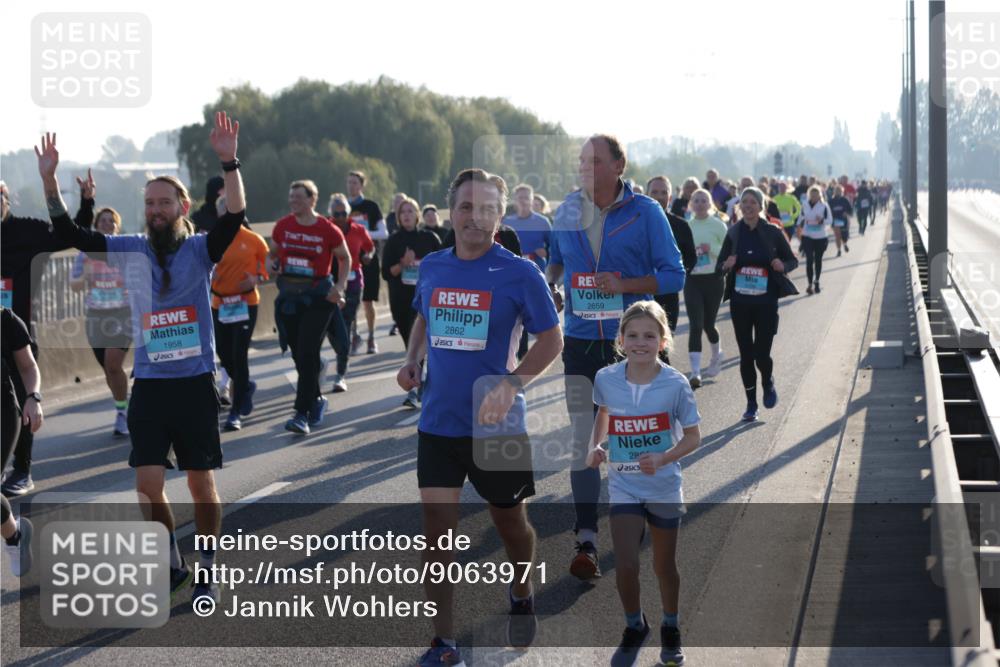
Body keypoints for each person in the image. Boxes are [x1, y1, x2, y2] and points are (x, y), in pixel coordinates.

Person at [41, 112, 246, 605]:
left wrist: (229, 162)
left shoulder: (200, 249)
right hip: (151, 385)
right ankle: (173, 563)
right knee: (148, 485)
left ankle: (207, 567)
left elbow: (235, 217)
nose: (155, 210)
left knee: (201, 486)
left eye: (164, 202)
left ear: (182, 206)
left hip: (194, 382)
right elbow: (73, 233)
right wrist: (50, 181)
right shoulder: (129, 248)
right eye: (149, 203)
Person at [396, 168, 562, 666]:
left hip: (497, 426)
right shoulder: (433, 266)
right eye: (466, 207)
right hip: (438, 423)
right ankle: (444, 642)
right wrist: (412, 358)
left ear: (499, 215)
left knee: (510, 524)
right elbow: (422, 315)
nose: (475, 216)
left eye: (486, 208)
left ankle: (521, 589)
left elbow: (551, 340)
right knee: (437, 532)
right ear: (451, 212)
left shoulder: (520, 273)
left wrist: (512, 385)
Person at [547, 134, 685, 579]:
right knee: (583, 440)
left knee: (636, 438)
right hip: (581, 343)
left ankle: (642, 513)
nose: (585, 167)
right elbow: (556, 261)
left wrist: (625, 286)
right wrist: (551, 284)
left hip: (632, 345)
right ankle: (586, 539)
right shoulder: (567, 211)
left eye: (594, 160)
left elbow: (674, 275)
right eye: (581, 160)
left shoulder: (646, 212)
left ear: (618, 165)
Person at [585, 300, 700, 667]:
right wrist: (595, 446)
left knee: (664, 566)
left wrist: (663, 458)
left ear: (663, 341)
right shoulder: (606, 378)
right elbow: (604, 413)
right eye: (632, 335)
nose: (640, 342)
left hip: (663, 485)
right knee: (626, 563)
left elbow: (693, 437)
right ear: (621, 339)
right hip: (624, 485)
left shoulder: (675, 384)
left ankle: (671, 626)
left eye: (649, 336)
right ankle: (635, 625)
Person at [0, 172, 93, 497]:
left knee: (22, 399)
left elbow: (70, 235)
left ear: (6, 200)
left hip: (17, 333)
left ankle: (22, 469)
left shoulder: (27, 230)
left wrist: (86, 203)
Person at [271, 180, 351, 434]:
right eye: (291, 196)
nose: (293, 201)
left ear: (312, 199)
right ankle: (316, 400)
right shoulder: (283, 226)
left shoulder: (327, 229)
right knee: (300, 355)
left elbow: (345, 258)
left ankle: (301, 414)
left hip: (318, 298)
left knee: (307, 350)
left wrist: (340, 286)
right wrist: (271, 264)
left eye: (298, 196)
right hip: (290, 297)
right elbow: (272, 254)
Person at [717, 187, 798, 422]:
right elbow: (719, 266)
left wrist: (783, 266)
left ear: (761, 206)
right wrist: (726, 265)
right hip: (740, 303)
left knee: (762, 354)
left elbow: (792, 260)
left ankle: (767, 381)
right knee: (746, 355)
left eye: (753, 202)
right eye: (745, 202)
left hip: (766, 302)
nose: (748, 206)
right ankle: (751, 404)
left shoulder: (772, 232)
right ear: (739, 206)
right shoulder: (734, 233)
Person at [69, 206, 132, 436]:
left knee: (113, 364)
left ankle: (123, 414)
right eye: (103, 221)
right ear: (96, 226)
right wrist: (85, 275)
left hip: (123, 313)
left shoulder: (125, 250)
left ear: (117, 226)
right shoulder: (85, 254)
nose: (107, 224)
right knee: (108, 368)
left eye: (111, 221)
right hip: (96, 315)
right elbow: (74, 286)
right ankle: (122, 404)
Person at [210, 196, 269, 431]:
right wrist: (208, 274)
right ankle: (244, 386)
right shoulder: (211, 240)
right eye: (223, 212)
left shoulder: (253, 239)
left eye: (231, 210)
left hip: (246, 302)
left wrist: (257, 278)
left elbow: (268, 266)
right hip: (220, 303)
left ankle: (235, 412)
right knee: (223, 353)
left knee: (239, 353)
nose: (227, 215)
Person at [382, 196, 441, 407]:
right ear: (398, 217)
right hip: (401, 298)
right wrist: (403, 263)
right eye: (402, 212)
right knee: (410, 343)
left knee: (419, 343)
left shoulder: (430, 238)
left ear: (417, 215)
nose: (406, 215)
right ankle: (419, 382)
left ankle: (414, 390)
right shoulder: (394, 241)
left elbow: (444, 266)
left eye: (410, 211)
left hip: (426, 299)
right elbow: (386, 273)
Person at [1, 308, 43, 576]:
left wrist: (33, 397)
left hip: (3, 413)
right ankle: (14, 536)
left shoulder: (5, 320)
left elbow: (28, 367)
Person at [325, 193, 374, 394]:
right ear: (331, 214)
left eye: (343, 213)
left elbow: (370, 248)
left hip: (353, 282)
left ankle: (340, 374)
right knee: (330, 328)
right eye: (336, 214)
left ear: (349, 213)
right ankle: (340, 351)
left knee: (344, 324)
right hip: (329, 283)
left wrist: (368, 256)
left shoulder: (358, 230)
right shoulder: (326, 229)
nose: (340, 218)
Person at [684, 189, 729, 388]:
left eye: (704, 201)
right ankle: (695, 373)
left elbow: (729, 252)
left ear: (710, 204)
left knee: (708, 324)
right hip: (693, 279)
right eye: (696, 201)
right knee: (695, 325)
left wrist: (711, 249)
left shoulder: (718, 225)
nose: (700, 204)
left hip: (714, 279)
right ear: (691, 204)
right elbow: (680, 252)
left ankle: (717, 355)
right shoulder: (687, 226)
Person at [504, 183, 554, 359]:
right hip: (512, 278)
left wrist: (545, 252)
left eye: (526, 197)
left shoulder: (542, 222)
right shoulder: (507, 223)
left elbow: (555, 250)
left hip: (536, 278)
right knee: (515, 320)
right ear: (514, 200)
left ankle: (540, 355)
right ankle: (519, 358)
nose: (523, 201)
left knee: (537, 319)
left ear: (532, 200)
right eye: (520, 197)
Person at [646, 176, 696, 336]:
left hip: (668, 295)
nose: (659, 196)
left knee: (664, 343)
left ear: (670, 197)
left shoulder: (681, 225)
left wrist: (675, 275)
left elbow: (691, 258)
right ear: (646, 195)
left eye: (663, 192)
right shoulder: (632, 223)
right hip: (638, 293)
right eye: (654, 192)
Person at [346, 171, 386, 355]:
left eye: (355, 183)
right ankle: (355, 336)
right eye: (349, 182)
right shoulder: (342, 207)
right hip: (349, 260)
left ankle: (371, 337)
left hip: (368, 258)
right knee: (350, 301)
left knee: (368, 301)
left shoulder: (371, 206)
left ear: (362, 185)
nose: (351, 186)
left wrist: (361, 234)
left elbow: (383, 233)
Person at [798, 185, 833, 293]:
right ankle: (809, 284)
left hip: (820, 236)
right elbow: (800, 219)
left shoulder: (824, 205)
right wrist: (799, 227)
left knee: (818, 259)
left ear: (819, 195)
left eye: (816, 195)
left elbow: (830, 220)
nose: (813, 197)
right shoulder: (805, 205)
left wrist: (822, 220)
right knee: (809, 260)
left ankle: (816, 281)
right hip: (807, 235)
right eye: (812, 195)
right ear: (809, 195)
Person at [828, 185, 854, 258]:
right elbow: (827, 211)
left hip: (843, 220)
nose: (838, 192)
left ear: (842, 192)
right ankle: (839, 250)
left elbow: (850, 210)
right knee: (837, 236)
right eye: (836, 191)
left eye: (839, 191)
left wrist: (847, 213)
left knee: (844, 235)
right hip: (835, 220)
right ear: (834, 192)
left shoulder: (845, 200)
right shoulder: (831, 201)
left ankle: (845, 244)